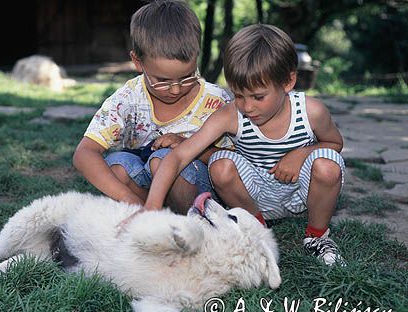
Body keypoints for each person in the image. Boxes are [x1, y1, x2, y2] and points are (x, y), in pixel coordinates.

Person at [143, 24, 346, 266]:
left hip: (300, 195)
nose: (248, 107)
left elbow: (334, 142)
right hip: (253, 195)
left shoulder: (311, 111)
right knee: (221, 166)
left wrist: (301, 154)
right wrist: (152, 208)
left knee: (327, 165)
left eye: (258, 97)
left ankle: (317, 237)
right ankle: (256, 227)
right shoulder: (230, 115)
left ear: (288, 81)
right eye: (239, 95)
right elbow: (178, 157)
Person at [73, 0, 232, 214]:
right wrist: (128, 198)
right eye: (163, 80)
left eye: (187, 77)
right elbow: (84, 154)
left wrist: (187, 146)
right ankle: (146, 215)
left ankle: (191, 222)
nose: (175, 89)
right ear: (138, 62)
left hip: (197, 186)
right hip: (144, 190)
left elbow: (235, 161)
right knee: (115, 165)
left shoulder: (217, 101)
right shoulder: (128, 98)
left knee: (162, 159)